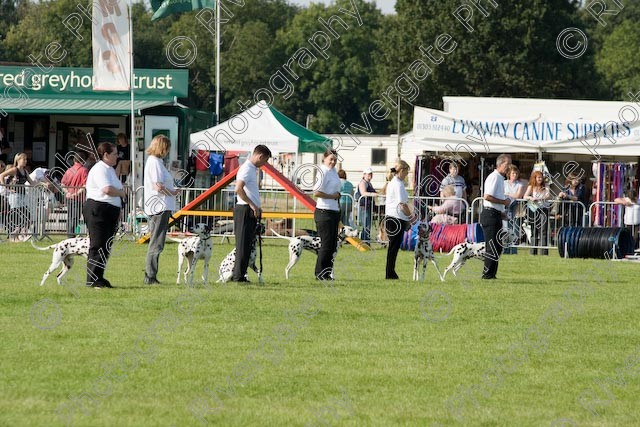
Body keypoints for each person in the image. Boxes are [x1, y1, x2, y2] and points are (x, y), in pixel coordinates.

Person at [83, 142, 126, 288]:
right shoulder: (100, 169)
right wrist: (121, 193)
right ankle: (92, 279)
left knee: (105, 246)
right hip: (98, 210)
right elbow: (107, 189)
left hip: (109, 211)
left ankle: (99, 276)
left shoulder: (109, 169)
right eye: (114, 154)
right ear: (105, 155)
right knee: (98, 244)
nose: (117, 157)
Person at [144, 135, 180, 285]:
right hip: (159, 207)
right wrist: (173, 192)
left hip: (159, 206)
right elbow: (157, 186)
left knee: (156, 242)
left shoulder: (156, 162)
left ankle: (151, 275)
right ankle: (150, 276)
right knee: (157, 243)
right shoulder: (155, 162)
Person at [232, 144, 271, 282]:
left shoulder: (251, 169)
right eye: (265, 160)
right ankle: (238, 276)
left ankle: (240, 274)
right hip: (244, 209)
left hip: (249, 209)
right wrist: (252, 204)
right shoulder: (247, 169)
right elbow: (238, 189)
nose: (264, 163)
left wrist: (256, 206)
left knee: (247, 244)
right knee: (243, 244)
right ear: (260, 156)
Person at [480, 154, 512, 280]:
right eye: (507, 164)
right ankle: (487, 274)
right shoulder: (494, 177)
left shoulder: (500, 178)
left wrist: (501, 212)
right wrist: (504, 202)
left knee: (497, 246)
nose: (509, 167)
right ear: (501, 164)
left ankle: (492, 274)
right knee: (492, 246)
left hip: (495, 214)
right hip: (489, 215)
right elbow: (487, 196)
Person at [314, 149, 341, 280]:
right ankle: (320, 273)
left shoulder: (333, 171)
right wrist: (332, 196)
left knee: (332, 244)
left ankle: (327, 273)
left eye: (335, 159)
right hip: (324, 211)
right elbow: (316, 192)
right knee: (326, 243)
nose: (333, 162)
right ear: (324, 159)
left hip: (334, 210)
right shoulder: (323, 171)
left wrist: (337, 196)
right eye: (330, 159)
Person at [384, 160, 411, 280]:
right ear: (402, 170)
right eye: (406, 172)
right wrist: (411, 217)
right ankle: (390, 273)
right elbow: (402, 204)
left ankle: (391, 272)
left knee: (393, 247)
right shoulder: (398, 184)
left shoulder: (394, 182)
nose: (407, 175)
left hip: (393, 217)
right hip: (396, 218)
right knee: (393, 247)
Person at [0, 153, 36, 241]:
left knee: (27, 215)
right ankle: (14, 236)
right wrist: (7, 187)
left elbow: (32, 183)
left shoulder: (25, 171)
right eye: (24, 159)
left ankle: (20, 234)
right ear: (18, 160)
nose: (25, 161)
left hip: (22, 195)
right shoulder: (14, 170)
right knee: (18, 215)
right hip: (15, 196)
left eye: (26, 159)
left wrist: (42, 184)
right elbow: (1, 175)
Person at [61, 151, 89, 238]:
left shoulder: (69, 170)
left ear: (74, 160)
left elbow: (62, 184)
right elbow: (85, 185)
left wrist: (68, 193)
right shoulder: (84, 170)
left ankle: (69, 236)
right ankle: (71, 237)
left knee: (70, 217)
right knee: (75, 218)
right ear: (83, 161)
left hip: (69, 198)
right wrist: (76, 193)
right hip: (79, 199)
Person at [524, 170, 552, 256]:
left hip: (543, 209)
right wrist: (531, 198)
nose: (540, 179)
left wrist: (541, 198)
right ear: (535, 178)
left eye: (541, 177)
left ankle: (544, 252)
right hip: (534, 210)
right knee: (534, 231)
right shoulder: (531, 186)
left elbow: (549, 195)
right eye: (538, 177)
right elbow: (525, 196)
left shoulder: (546, 186)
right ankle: (533, 252)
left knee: (543, 231)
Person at [503, 165, 526, 254]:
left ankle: (513, 249)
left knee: (514, 228)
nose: (515, 175)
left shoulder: (520, 184)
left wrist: (508, 193)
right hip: (505, 206)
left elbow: (518, 196)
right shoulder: (504, 183)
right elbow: (502, 193)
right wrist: (511, 194)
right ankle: (506, 249)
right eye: (513, 173)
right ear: (509, 174)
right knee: (505, 227)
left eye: (516, 173)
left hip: (515, 206)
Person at [357, 167, 377, 242]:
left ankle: (365, 239)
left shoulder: (369, 183)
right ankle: (364, 240)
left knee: (368, 224)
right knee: (366, 224)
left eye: (371, 174)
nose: (370, 175)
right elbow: (363, 193)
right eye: (369, 174)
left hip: (368, 206)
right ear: (364, 174)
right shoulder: (362, 183)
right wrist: (373, 194)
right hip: (363, 206)